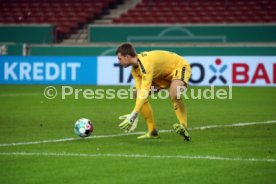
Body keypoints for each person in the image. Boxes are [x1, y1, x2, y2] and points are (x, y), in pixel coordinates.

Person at [116, 43, 191, 141]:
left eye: (119, 58)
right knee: (136, 93)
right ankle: (152, 131)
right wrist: (134, 114)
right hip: (162, 76)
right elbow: (141, 92)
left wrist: (133, 115)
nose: (118, 62)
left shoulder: (145, 63)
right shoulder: (135, 70)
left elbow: (145, 90)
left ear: (127, 56)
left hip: (178, 66)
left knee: (173, 94)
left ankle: (183, 126)